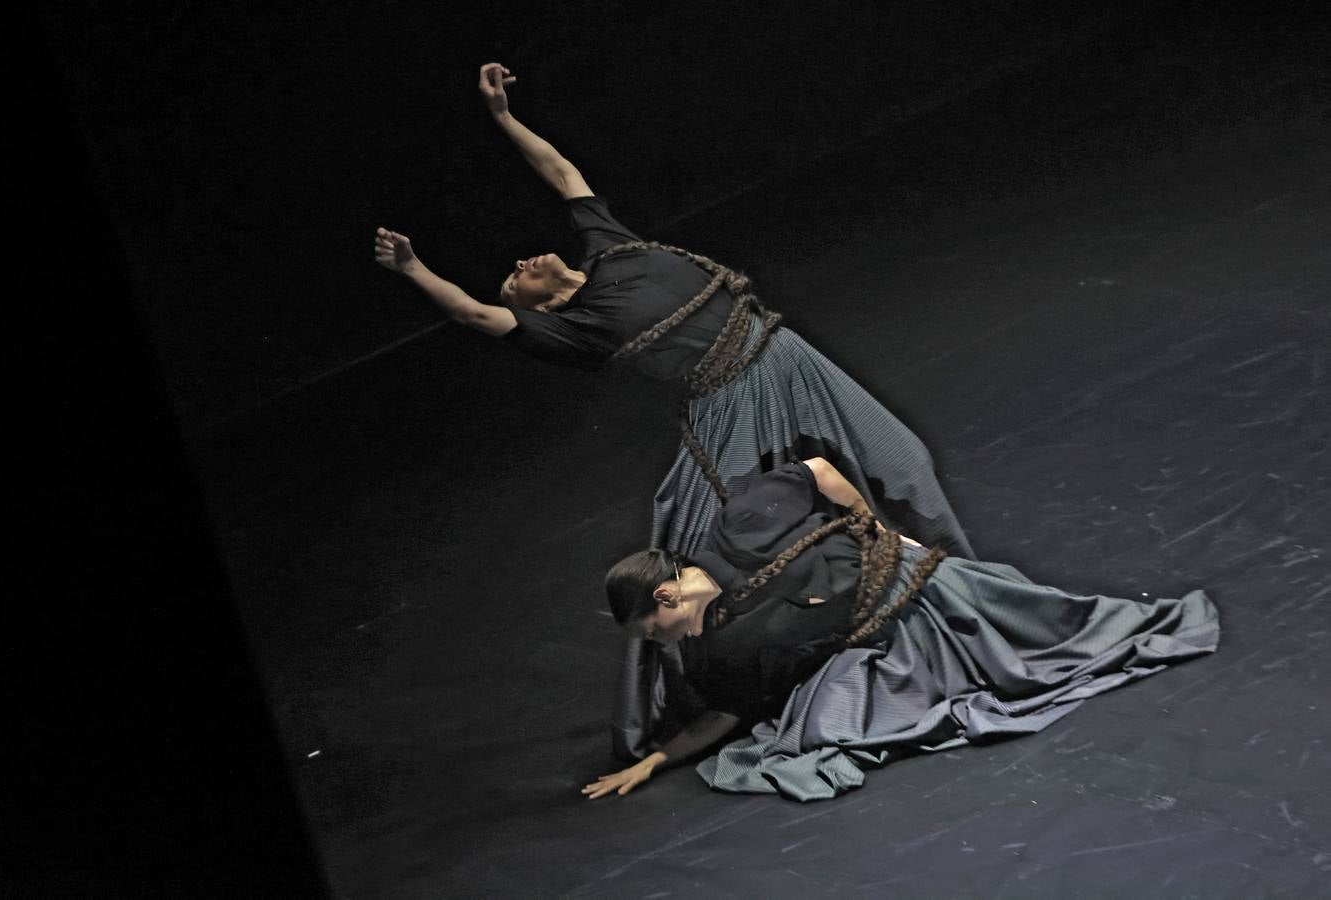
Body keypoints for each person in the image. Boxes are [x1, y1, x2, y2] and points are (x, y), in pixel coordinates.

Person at [374, 62, 973, 758]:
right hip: (729, 405)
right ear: (529, 305)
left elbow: (563, 172)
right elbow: (476, 315)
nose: (518, 263)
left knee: (903, 461)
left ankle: (965, 585)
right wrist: (414, 268)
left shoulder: (609, 246)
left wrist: (502, 116)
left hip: (790, 360)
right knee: (691, 535)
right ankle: (686, 698)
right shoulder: (574, 329)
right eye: (513, 279)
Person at [584, 458, 1219, 802]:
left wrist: (876, 531)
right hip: (886, 646)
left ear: (667, 593)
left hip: (918, 586)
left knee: (1065, 631)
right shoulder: (719, 646)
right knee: (833, 728)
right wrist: (659, 761)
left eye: (657, 627)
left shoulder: (740, 525)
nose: (666, 641)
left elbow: (819, 473)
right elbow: (725, 713)